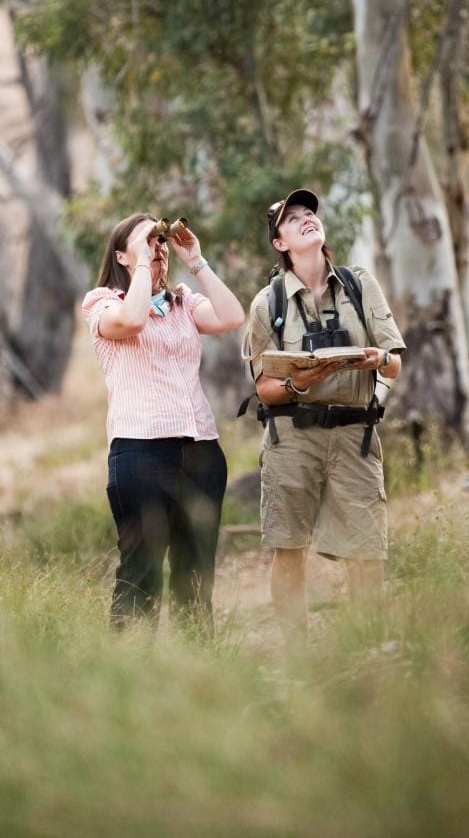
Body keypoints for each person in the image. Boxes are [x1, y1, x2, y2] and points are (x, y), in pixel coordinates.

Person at [246, 188, 405, 639]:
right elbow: (264, 389)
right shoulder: (267, 303)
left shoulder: (359, 285)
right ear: (280, 243)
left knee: (366, 549)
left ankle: (368, 644)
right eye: (291, 219)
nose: (305, 220)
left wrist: (378, 361)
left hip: (356, 434)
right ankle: (296, 652)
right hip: (293, 438)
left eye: (309, 214)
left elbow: (395, 360)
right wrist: (301, 382)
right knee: (288, 546)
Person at [81, 213, 245, 631]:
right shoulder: (102, 303)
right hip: (140, 451)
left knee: (195, 574)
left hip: (201, 450)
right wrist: (140, 262)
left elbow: (231, 317)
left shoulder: (182, 302)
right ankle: (131, 678)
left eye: (161, 241)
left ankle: (194, 676)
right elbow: (132, 322)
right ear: (122, 254)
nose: (158, 249)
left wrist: (196, 261)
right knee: (142, 574)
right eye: (148, 241)